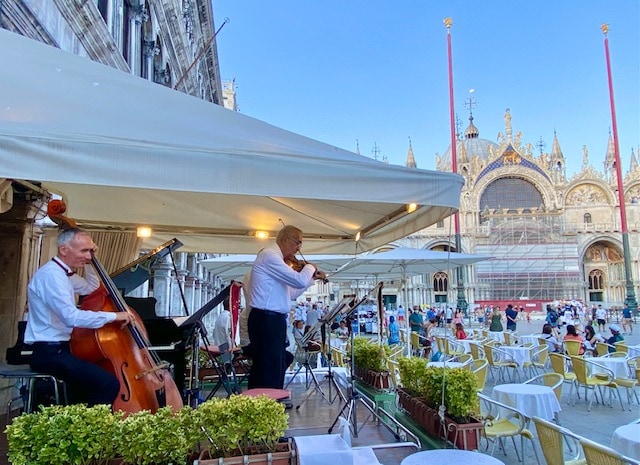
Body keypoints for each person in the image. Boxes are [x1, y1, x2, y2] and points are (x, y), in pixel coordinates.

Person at [24, 228, 133, 407]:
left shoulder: (63, 274)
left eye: (90, 251)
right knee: (108, 383)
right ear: (64, 250)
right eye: (84, 251)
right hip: (49, 353)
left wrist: (91, 263)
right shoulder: (52, 275)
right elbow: (71, 318)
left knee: (88, 387)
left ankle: (78, 426)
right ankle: (90, 431)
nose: (88, 255)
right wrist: (115, 316)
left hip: (60, 350)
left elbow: (91, 287)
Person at [246, 225, 326, 389]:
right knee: (269, 367)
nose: (298, 248)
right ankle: (267, 404)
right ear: (285, 239)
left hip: (271, 320)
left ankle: (271, 403)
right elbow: (298, 280)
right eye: (297, 243)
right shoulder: (269, 256)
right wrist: (311, 267)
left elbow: (290, 293)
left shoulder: (276, 260)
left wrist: (311, 280)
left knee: (274, 365)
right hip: (266, 319)